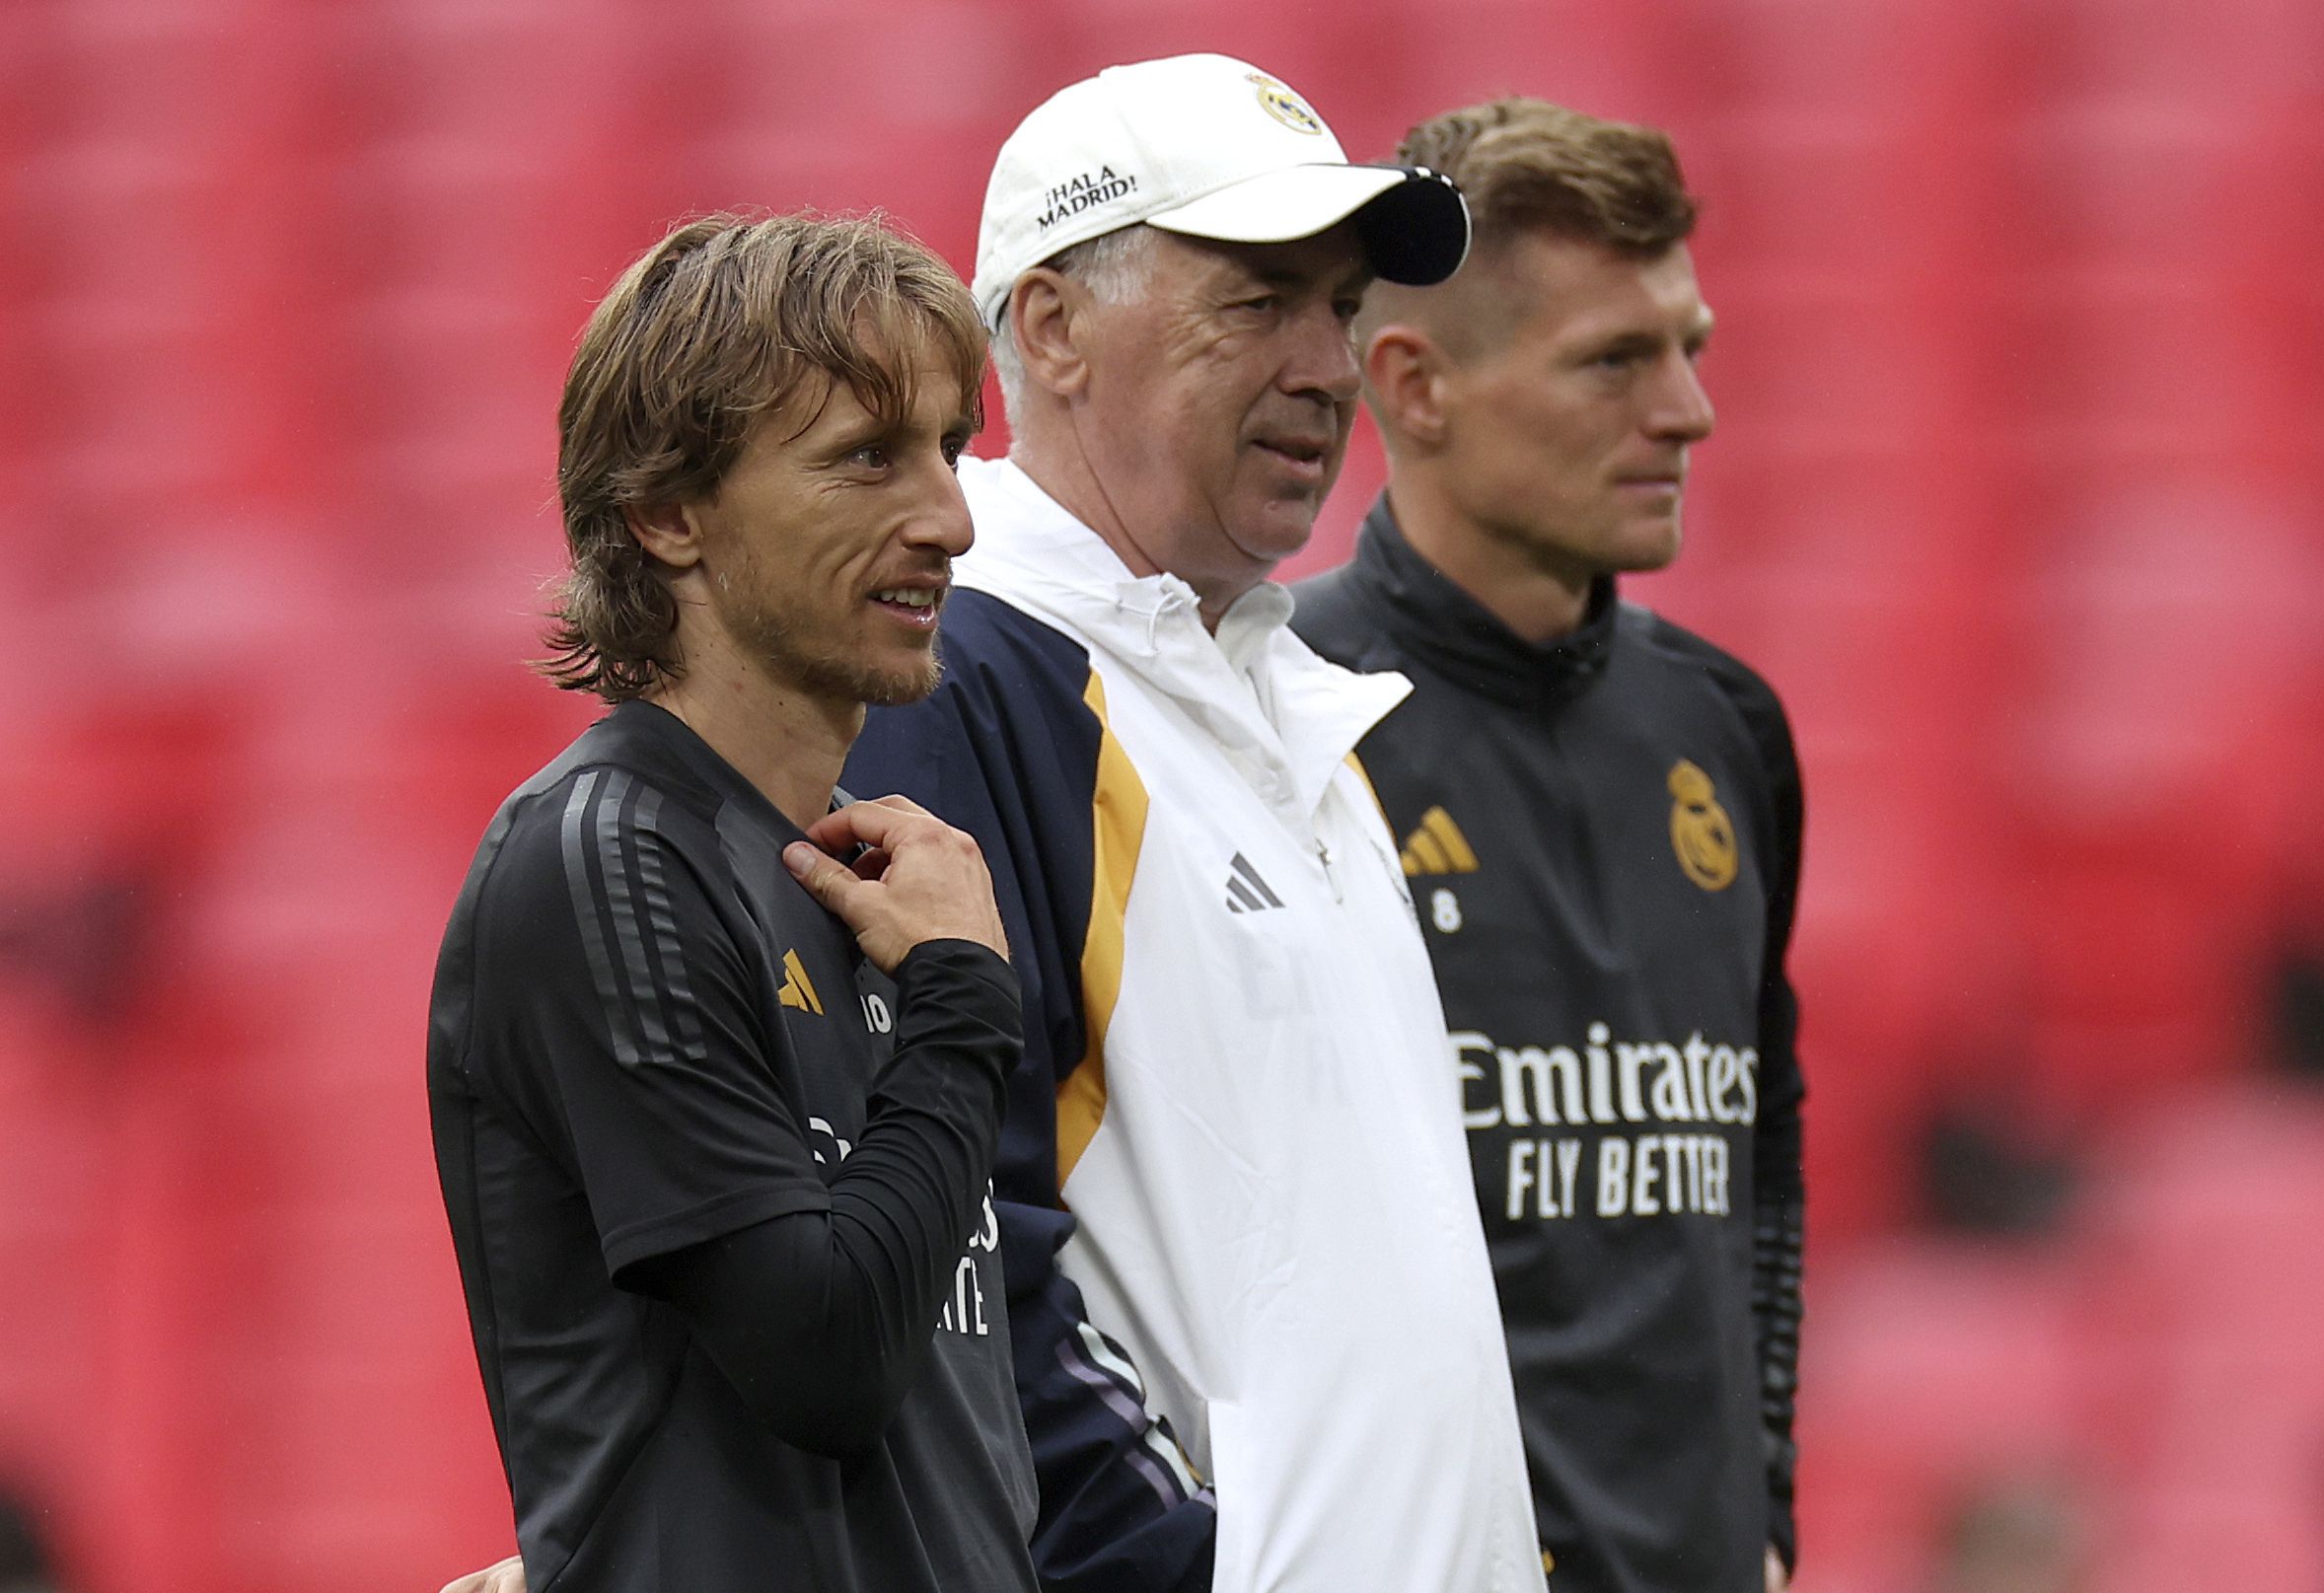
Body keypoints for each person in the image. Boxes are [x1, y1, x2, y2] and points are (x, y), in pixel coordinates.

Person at [835, 53, 1549, 1593]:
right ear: (1049, 326)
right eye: (1259, 299)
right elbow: (949, 1251)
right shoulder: (959, 685)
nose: (1328, 362)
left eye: (1341, 305)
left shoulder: (1285, 705)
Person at [426, 212, 1040, 1593]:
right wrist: (960, 1009)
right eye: (866, 457)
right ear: (667, 511)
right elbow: (823, 1359)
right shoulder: (608, 861)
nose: (949, 517)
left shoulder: (880, 886)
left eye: (949, 448)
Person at [1291, 100, 1807, 1593]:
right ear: (1416, 385)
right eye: (1615, 362)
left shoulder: (1727, 728)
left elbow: (1760, 1150)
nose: (1690, 410)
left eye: (1689, 345)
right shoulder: (1275, 731)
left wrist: (1763, 1500)